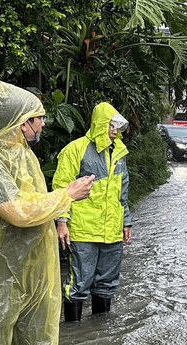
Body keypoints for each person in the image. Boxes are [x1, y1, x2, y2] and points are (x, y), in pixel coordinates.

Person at [0, 80, 94, 345]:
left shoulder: (27, 156)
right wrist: (67, 195)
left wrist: (61, 217)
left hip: (37, 273)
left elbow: (38, 203)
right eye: (39, 117)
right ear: (22, 123)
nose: (44, 123)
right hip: (0, 277)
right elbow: (17, 212)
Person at [53, 102, 132, 322]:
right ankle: (73, 330)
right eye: (110, 126)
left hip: (112, 231)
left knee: (107, 283)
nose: (114, 131)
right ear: (99, 124)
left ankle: (99, 332)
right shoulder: (75, 150)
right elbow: (61, 188)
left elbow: (122, 191)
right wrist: (61, 221)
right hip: (83, 230)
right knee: (79, 282)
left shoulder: (119, 153)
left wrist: (126, 221)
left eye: (117, 126)